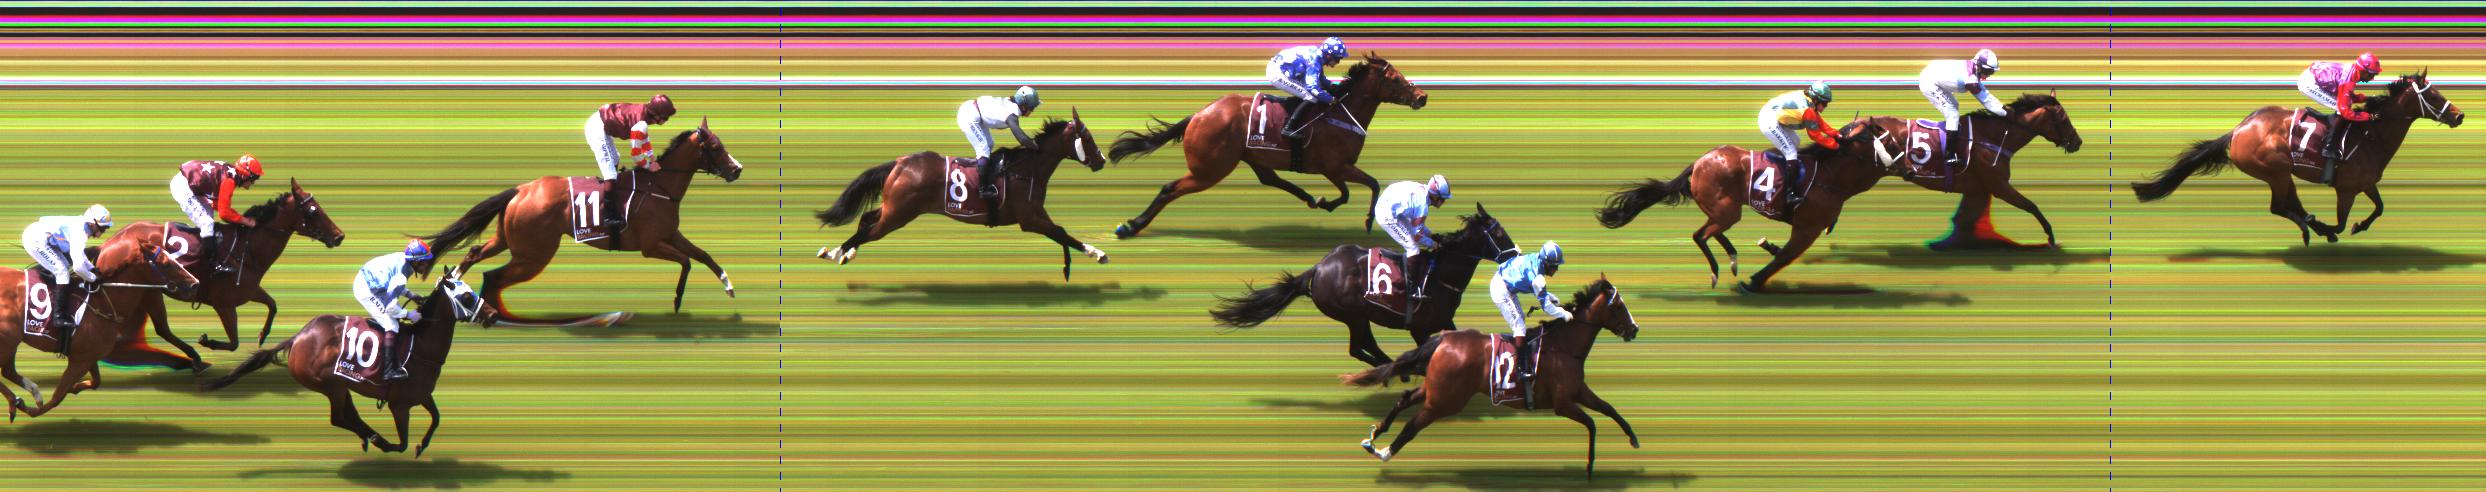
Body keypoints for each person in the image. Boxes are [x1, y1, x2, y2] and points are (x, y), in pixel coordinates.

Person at [1489, 240, 1570, 403]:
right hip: (1501, 289)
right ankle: (1520, 367)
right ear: (1546, 263)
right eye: (1554, 266)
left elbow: (1535, 287)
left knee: (1521, 320)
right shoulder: (1538, 279)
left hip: (1504, 281)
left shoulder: (1536, 259)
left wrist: (1549, 296)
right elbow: (1546, 307)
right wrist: (1563, 314)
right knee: (1519, 326)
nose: (1556, 269)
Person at [585, 94, 677, 231]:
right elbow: (636, 156)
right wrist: (648, 166)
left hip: (601, 122)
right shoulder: (639, 125)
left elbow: (644, 138)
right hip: (596, 129)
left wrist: (651, 157)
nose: (666, 120)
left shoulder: (645, 117)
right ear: (657, 115)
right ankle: (608, 216)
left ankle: (610, 188)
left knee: (615, 158)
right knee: (610, 173)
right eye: (666, 117)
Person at [20, 205, 112, 336]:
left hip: (44, 238)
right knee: (62, 272)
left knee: (64, 264)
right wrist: (92, 278)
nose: (101, 233)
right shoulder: (80, 232)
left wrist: (91, 268)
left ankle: (40, 274)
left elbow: (79, 255)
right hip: (35, 240)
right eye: (102, 228)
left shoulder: (82, 228)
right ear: (92, 224)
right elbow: (78, 267)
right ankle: (58, 317)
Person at [354, 239, 436, 381]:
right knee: (391, 324)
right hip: (366, 289)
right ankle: (389, 371)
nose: (427, 265)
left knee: (392, 316)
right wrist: (408, 314)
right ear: (415, 262)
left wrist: (411, 295)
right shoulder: (401, 275)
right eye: (424, 262)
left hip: (371, 280)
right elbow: (390, 306)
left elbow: (393, 285)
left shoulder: (404, 261)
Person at [171, 155, 264, 275]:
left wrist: (239, 218)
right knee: (207, 223)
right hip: (183, 187)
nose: (253, 183)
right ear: (245, 175)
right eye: (253, 179)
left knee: (208, 222)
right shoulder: (229, 181)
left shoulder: (230, 174)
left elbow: (218, 206)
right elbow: (224, 214)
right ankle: (212, 265)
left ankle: (200, 251)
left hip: (192, 184)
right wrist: (245, 221)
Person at [1919, 49, 2007, 167]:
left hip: (1934, 75)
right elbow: (1986, 101)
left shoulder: (1973, 68)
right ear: (1979, 66)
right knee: (1953, 114)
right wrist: (2005, 113)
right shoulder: (1970, 79)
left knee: (1954, 105)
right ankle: (1949, 156)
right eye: (1987, 71)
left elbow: (1986, 93)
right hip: (1929, 83)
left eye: (1991, 72)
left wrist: (2002, 108)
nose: (1988, 75)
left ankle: (1951, 133)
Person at [2298, 52, 2383, 171]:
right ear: (2363, 71)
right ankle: (2329, 147)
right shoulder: (2348, 80)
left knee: (2345, 104)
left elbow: (2347, 95)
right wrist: (2369, 116)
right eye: (2371, 74)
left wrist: (2366, 98)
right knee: (2341, 109)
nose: (2372, 78)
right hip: (2309, 84)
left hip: (2315, 75)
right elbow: (2345, 112)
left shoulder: (2353, 72)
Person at [1758, 82, 1837, 208]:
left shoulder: (1809, 101)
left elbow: (1819, 122)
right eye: (1824, 103)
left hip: (1774, 115)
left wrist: (1837, 134)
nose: (1825, 107)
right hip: (1769, 119)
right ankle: (1789, 193)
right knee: (1791, 152)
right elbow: (1815, 136)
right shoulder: (1808, 110)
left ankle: (1785, 168)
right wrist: (1835, 146)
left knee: (1795, 142)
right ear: (1816, 100)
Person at [1373, 175, 1451, 301]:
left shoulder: (1424, 194)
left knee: (1412, 235)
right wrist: (1432, 244)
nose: (1443, 202)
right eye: (1442, 199)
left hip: (1391, 206)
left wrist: (1432, 236)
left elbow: (1417, 226)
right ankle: (1412, 290)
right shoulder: (1423, 206)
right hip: (1387, 214)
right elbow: (1417, 236)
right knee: (1413, 249)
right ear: (1435, 196)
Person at [957, 86, 1041, 201]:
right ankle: (982, 190)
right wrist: (1037, 147)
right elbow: (1022, 139)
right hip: (968, 115)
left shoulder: (1013, 103)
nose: (1033, 110)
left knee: (989, 144)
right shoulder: (1011, 115)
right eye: (1032, 107)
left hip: (975, 112)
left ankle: (978, 166)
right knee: (983, 149)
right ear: (1023, 106)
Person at [1267, 37, 1350, 142]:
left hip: (1283, 68)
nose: (1338, 62)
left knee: (1309, 92)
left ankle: (1275, 99)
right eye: (1337, 59)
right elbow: (1313, 88)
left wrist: (1333, 86)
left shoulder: (1319, 56)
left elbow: (1320, 79)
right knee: (1311, 96)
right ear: (1329, 55)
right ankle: (1288, 128)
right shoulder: (1314, 60)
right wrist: (1331, 99)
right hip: (1277, 73)